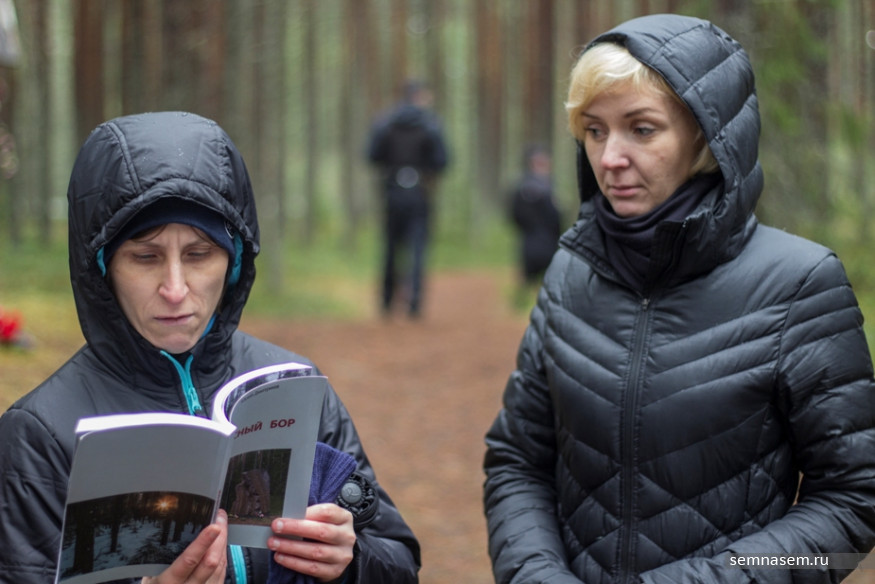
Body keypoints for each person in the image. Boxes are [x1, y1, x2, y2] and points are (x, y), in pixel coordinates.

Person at [483, 13, 875, 584]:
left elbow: (854, 500)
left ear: (708, 138)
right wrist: (536, 575)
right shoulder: (570, 272)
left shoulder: (800, 283)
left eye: (642, 129)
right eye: (595, 131)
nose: (610, 158)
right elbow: (517, 460)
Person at [0, 111, 420, 584]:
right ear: (102, 268)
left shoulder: (294, 384)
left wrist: (351, 560)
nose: (175, 289)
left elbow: (399, 562)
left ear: (234, 261)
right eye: (145, 257)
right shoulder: (40, 433)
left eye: (199, 254)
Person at [367, 80, 449, 318]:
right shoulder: (431, 124)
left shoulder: (385, 122)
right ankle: (414, 302)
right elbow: (442, 161)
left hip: (392, 192)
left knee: (391, 247)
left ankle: (386, 300)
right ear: (420, 96)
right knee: (417, 248)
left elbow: (372, 156)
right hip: (419, 193)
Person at [508, 144, 562, 301]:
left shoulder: (523, 187)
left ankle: (525, 301)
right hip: (539, 240)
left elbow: (514, 215)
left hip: (534, 240)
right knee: (539, 282)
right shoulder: (546, 188)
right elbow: (556, 217)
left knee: (536, 281)